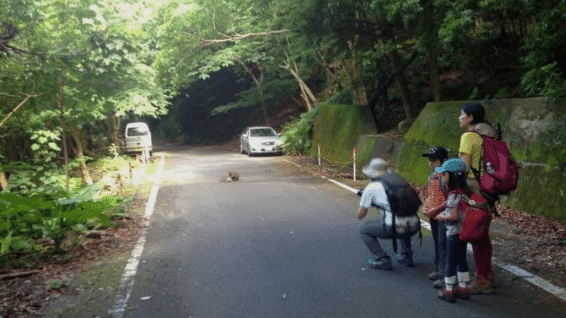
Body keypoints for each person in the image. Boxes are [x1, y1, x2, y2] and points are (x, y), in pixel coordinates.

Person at [458, 101, 495, 294]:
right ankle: (486, 275)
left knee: (474, 233)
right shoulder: (489, 134)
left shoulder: (468, 137)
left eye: (462, 114)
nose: (459, 118)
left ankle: (482, 279)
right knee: (483, 233)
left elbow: (464, 168)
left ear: (470, 118)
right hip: (489, 188)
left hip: (474, 190)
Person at [356, 158, 420, 270]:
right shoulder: (400, 181)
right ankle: (407, 256)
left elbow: (360, 215)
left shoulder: (371, 187)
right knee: (401, 219)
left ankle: (382, 258)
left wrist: (370, 201)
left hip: (394, 228)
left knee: (363, 229)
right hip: (414, 225)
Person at [434, 158, 472, 303]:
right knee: (462, 259)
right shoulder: (465, 192)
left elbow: (454, 216)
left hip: (454, 233)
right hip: (464, 233)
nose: (442, 177)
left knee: (451, 261)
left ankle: (448, 289)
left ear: (453, 176)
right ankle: (463, 287)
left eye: (444, 174)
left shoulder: (453, 194)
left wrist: (441, 216)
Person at [422, 147, 449, 289]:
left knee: (444, 244)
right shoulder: (432, 176)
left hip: (444, 216)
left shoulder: (446, 176)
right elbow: (430, 194)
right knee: (437, 243)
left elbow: (451, 199)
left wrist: (435, 210)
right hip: (434, 214)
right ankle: (438, 270)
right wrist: (426, 206)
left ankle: (445, 275)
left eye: (433, 160)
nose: (430, 163)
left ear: (441, 160)